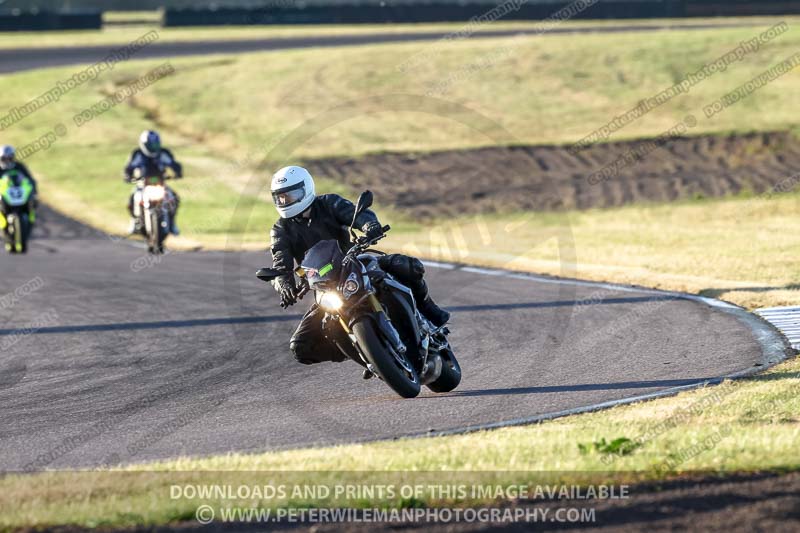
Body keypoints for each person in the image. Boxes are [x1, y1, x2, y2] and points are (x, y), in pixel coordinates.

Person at [269, 165, 450, 368]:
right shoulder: (280, 230)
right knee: (301, 346)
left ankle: (429, 309)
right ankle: (368, 354)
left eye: (290, 195)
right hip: (324, 284)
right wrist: (284, 286)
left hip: (354, 261)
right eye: (280, 197)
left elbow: (355, 214)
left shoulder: (328, 203)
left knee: (408, 266)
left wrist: (369, 225)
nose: (285, 201)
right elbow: (280, 264)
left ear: (306, 189)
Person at [123, 130, 182, 235]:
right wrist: (128, 176)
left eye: (155, 145)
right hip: (142, 184)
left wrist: (178, 173)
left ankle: (172, 223)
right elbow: (129, 168)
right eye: (150, 145)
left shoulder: (163, 153)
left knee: (174, 198)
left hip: (160, 183)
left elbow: (174, 165)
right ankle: (134, 221)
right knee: (133, 198)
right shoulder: (138, 154)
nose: (153, 148)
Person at [0, 145, 38, 233]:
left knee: (32, 203)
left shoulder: (19, 166)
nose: (7, 161)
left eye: (10, 158)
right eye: (4, 159)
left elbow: (30, 179)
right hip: (4, 195)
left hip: (20, 194)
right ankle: (3, 226)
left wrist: (34, 192)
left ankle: (30, 222)